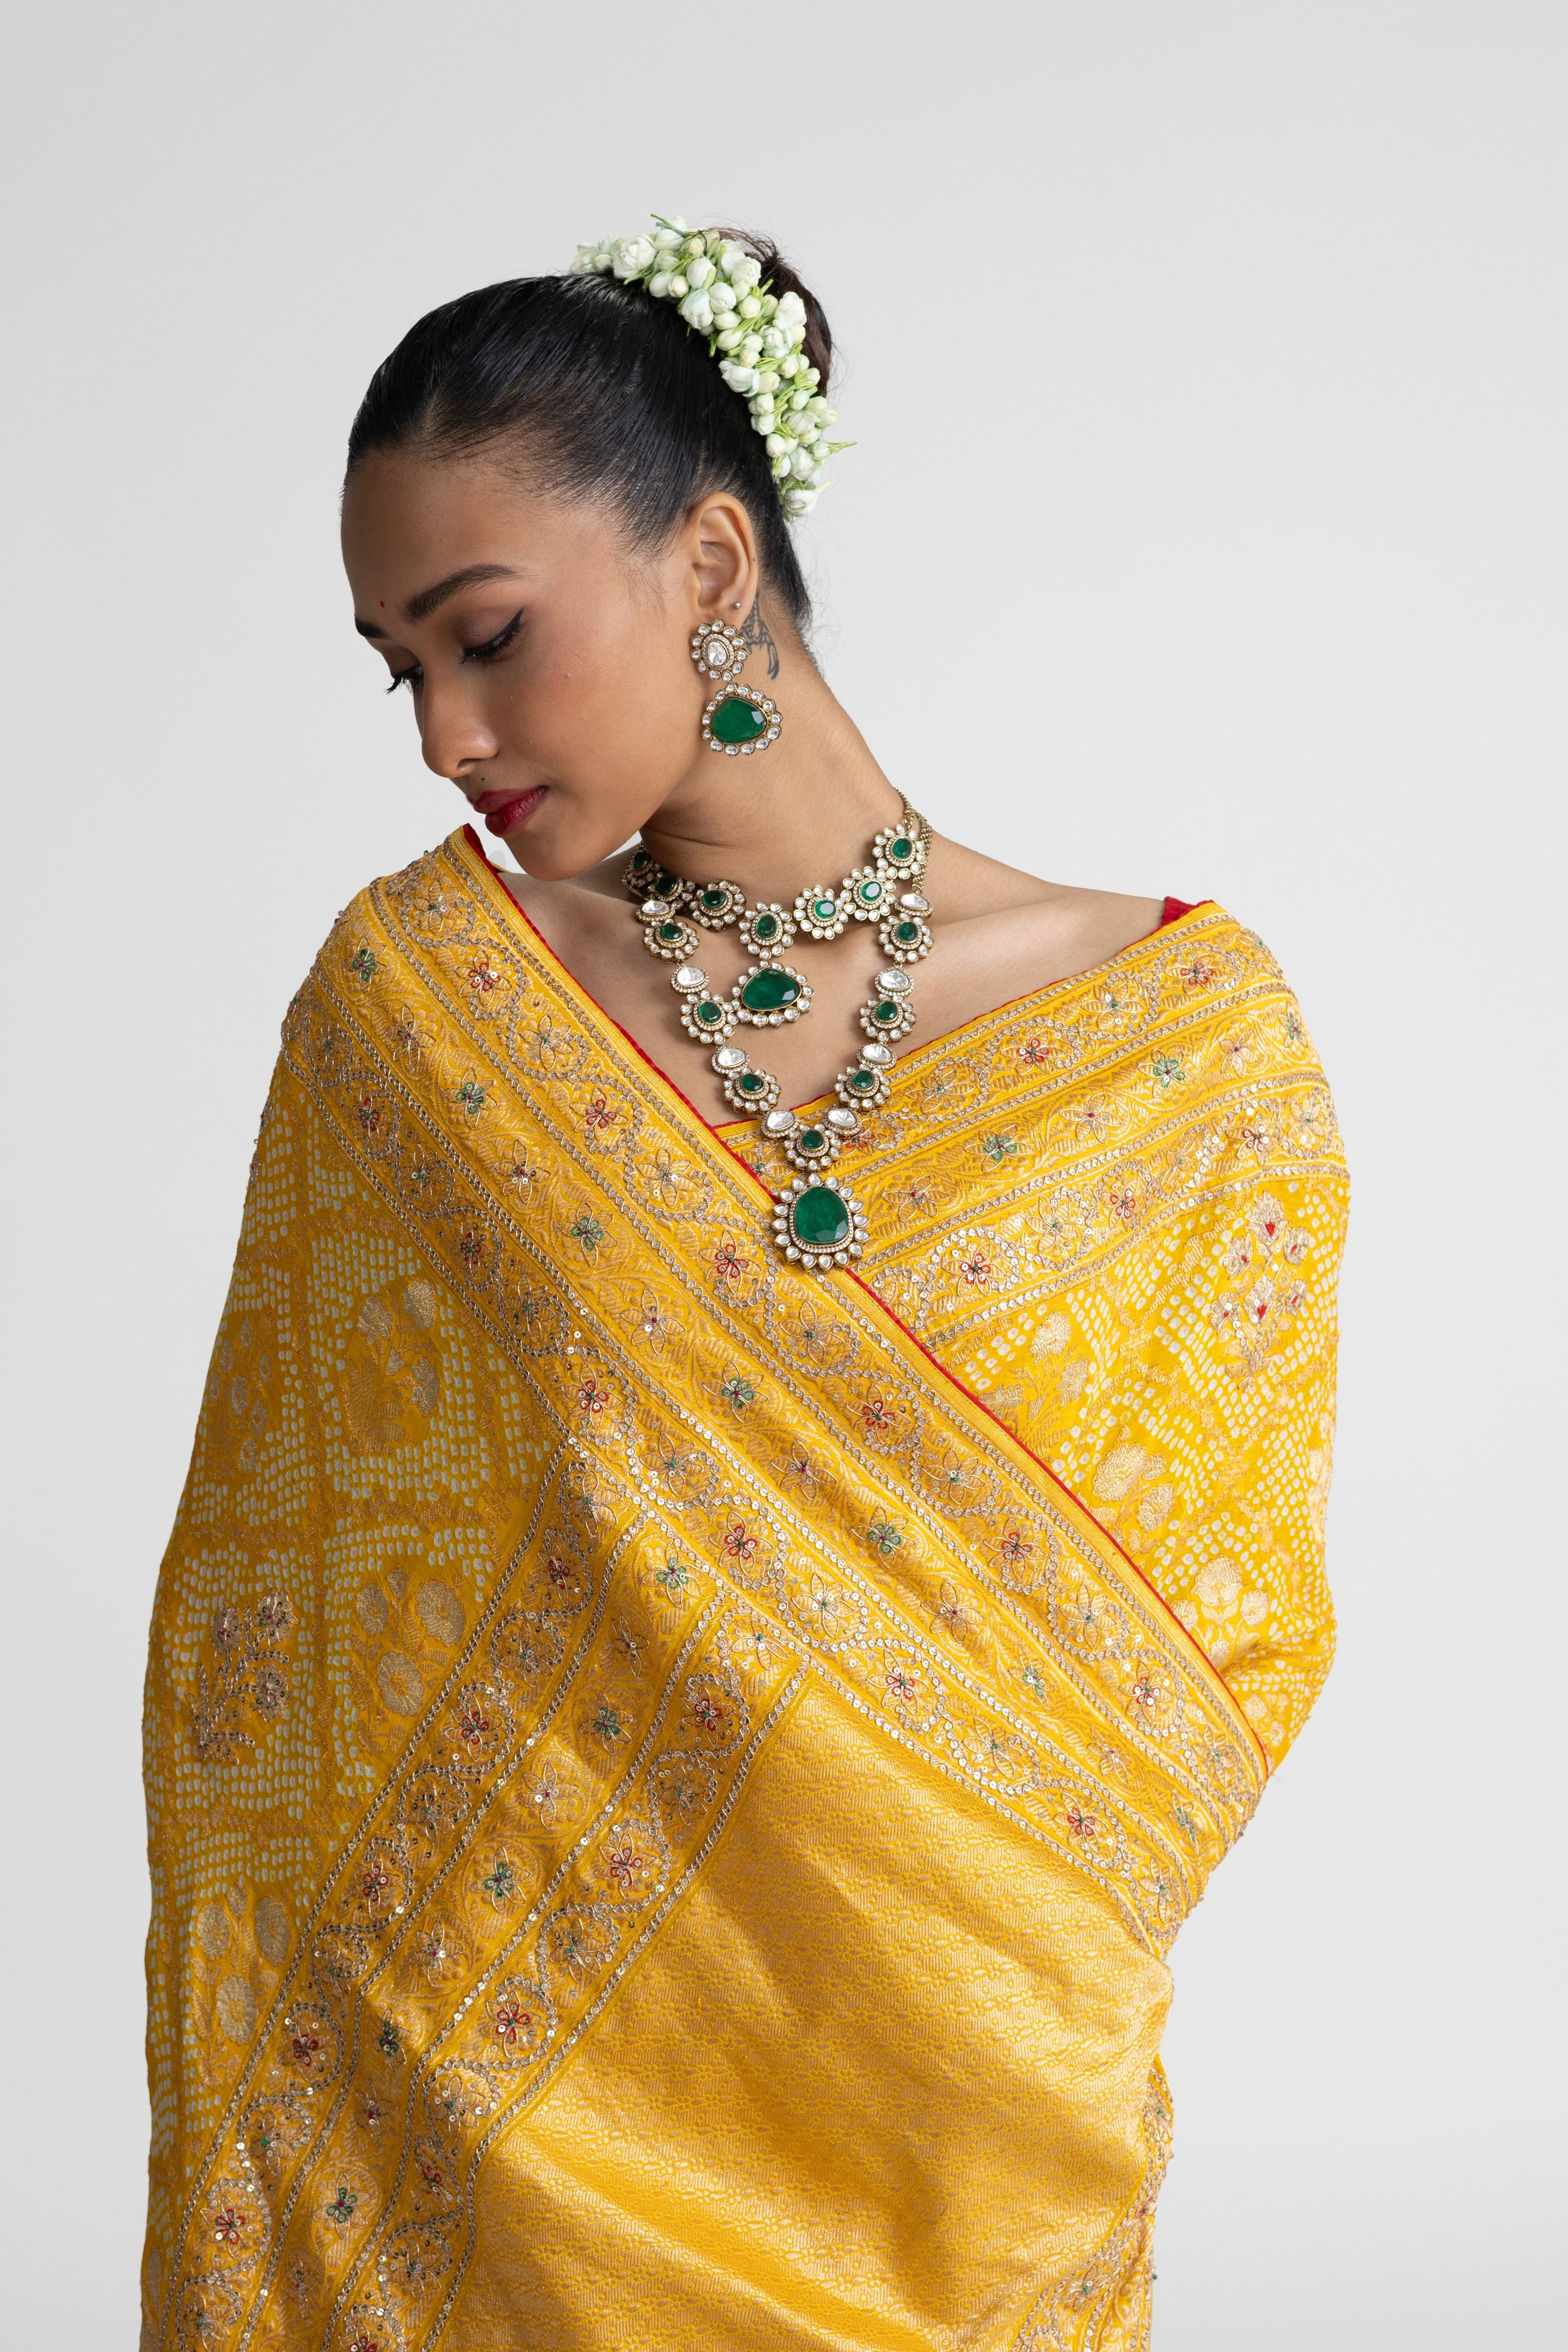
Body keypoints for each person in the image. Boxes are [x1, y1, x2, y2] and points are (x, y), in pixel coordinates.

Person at [140, 217, 1346, 2351]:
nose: (442, 734)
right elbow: (272, 1644)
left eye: (487, 636)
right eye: (399, 669)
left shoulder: (1178, 1049)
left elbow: (1209, 1669)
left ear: (709, 563)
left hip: (959, 2170)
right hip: (472, 2176)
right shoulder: (422, 1011)